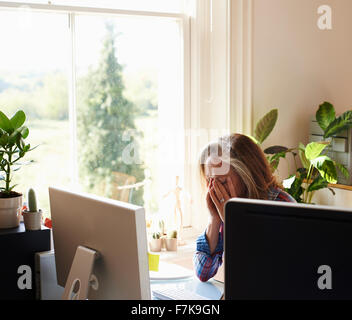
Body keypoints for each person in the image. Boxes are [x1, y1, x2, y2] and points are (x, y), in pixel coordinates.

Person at [193, 133, 296, 282]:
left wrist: (234, 223)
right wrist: (214, 220)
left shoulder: (282, 205)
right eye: (210, 181)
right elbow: (203, 272)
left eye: (221, 182)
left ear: (247, 176)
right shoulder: (226, 205)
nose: (214, 189)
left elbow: (266, 274)